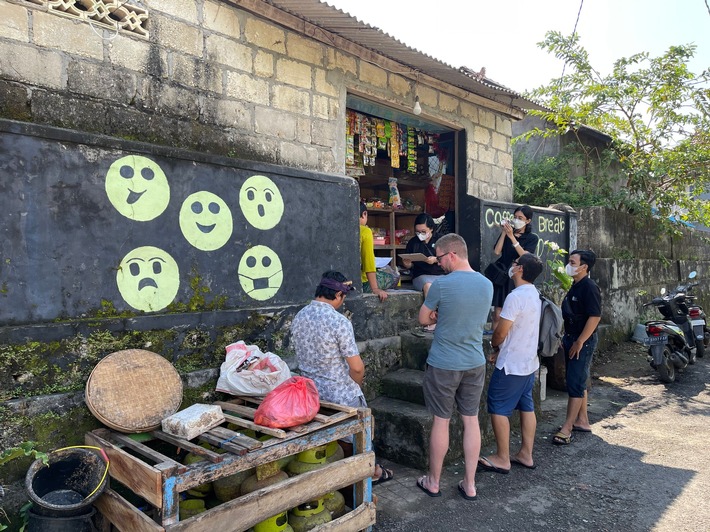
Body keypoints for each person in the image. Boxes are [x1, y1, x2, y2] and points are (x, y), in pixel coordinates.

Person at [291, 270, 393, 484]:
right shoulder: (339, 322)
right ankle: (371, 473)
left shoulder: (299, 316)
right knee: (361, 433)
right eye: (343, 298)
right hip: (340, 393)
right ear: (338, 295)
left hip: (312, 394)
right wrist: (357, 385)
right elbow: (356, 368)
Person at [415, 234, 493, 501]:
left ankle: (433, 481)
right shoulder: (487, 284)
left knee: (442, 420)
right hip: (474, 361)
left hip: (444, 363)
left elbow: (423, 318)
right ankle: (470, 484)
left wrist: (436, 314)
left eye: (439, 257)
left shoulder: (441, 285)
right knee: (471, 420)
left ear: (452, 255)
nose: (438, 264)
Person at [479, 252, 544, 474]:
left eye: (515, 263)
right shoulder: (535, 294)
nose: (512, 266)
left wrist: (495, 347)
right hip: (528, 362)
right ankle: (526, 453)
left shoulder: (515, 296)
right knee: (527, 407)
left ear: (521, 270)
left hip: (511, 364)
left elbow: (501, 332)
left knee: (498, 407)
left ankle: (502, 457)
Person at [552, 250, 602, 445]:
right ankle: (583, 420)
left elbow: (595, 317)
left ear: (584, 267)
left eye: (572, 262)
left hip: (582, 340)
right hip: (572, 338)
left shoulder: (589, 287)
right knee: (579, 379)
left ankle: (567, 427)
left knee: (574, 383)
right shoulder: (576, 285)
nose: (569, 264)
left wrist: (580, 341)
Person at [490, 205, 539, 331]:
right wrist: (504, 233)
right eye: (515, 217)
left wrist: (512, 237)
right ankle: (495, 343)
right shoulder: (507, 233)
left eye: (520, 218)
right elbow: (496, 251)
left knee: (511, 312)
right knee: (497, 313)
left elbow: (525, 256)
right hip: (503, 274)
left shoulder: (532, 238)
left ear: (527, 221)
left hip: (517, 275)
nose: (516, 220)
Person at [401, 213, 446, 298]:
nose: (420, 234)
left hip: (441, 274)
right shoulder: (413, 242)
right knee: (428, 286)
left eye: (423, 231)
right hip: (421, 275)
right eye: (417, 232)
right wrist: (407, 264)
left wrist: (436, 259)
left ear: (431, 229)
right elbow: (410, 265)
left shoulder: (441, 240)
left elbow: (449, 257)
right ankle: (431, 311)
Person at [360, 202, 396, 302]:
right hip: (360, 283)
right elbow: (369, 262)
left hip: (341, 281)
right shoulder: (365, 231)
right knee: (392, 277)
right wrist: (375, 289)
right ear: (364, 214)